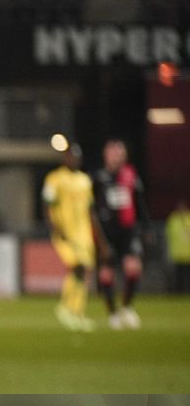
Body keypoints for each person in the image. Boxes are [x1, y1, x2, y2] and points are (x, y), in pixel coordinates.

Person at [92, 139, 149, 330]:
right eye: (113, 153)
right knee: (107, 274)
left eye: (120, 153)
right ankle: (113, 314)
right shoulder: (99, 178)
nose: (117, 157)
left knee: (133, 268)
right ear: (106, 156)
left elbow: (140, 202)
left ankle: (127, 307)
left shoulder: (131, 175)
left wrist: (147, 227)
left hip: (128, 230)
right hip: (107, 233)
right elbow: (91, 208)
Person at [41, 143, 97, 331]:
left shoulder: (85, 180)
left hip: (84, 235)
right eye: (70, 156)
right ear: (65, 158)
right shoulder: (55, 178)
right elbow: (47, 205)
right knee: (78, 267)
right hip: (65, 233)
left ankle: (77, 312)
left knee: (84, 271)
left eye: (76, 157)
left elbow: (90, 210)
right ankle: (65, 308)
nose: (73, 159)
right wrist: (55, 227)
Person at [165, 199, 190, 293]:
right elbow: (168, 234)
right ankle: (178, 293)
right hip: (177, 254)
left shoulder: (189, 218)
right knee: (178, 277)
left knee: (187, 276)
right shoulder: (173, 219)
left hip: (188, 254)